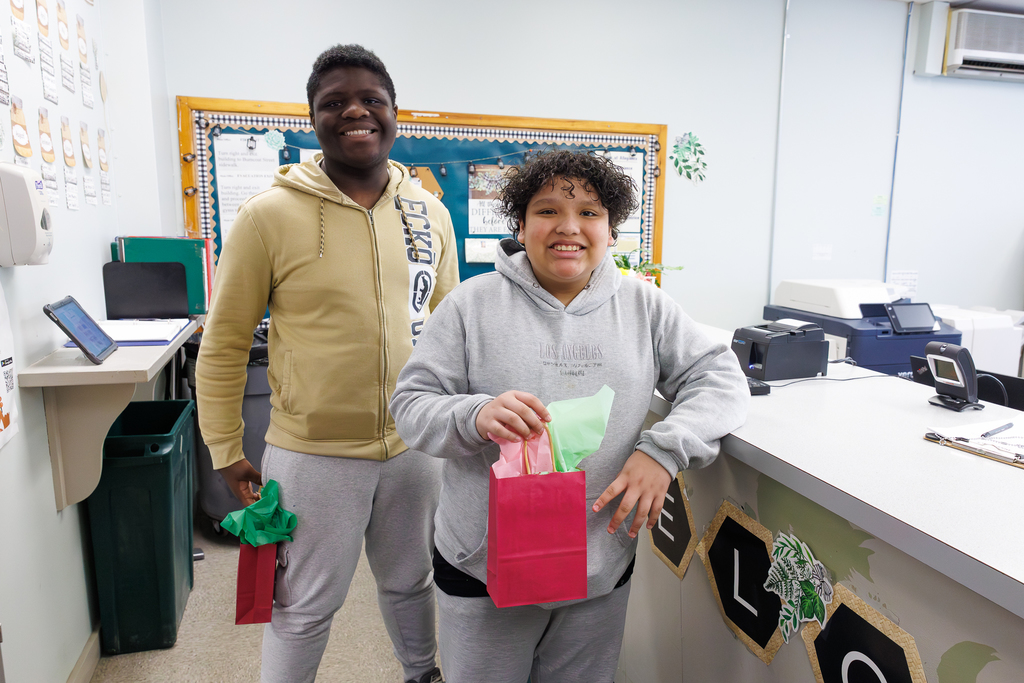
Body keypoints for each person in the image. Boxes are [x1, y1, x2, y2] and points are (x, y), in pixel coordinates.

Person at [390, 150, 749, 682]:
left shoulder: (645, 307)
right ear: (521, 222)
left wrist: (663, 450)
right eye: (547, 210)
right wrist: (475, 413)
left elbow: (720, 379)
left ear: (611, 228)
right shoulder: (470, 305)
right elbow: (410, 406)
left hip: (597, 567)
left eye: (589, 213)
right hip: (483, 566)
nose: (568, 228)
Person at [196, 44, 456, 683]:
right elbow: (225, 342)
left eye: (372, 100)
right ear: (311, 119)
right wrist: (225, 447)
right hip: (314, 454)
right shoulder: (268, 217)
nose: (355, 113)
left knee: (410, 583)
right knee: (305, 606)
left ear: (396, 113)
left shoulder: (431, 212)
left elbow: (452, 332)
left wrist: (461, 427)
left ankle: (423, 674)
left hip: (413, 447)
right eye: (334, 102)